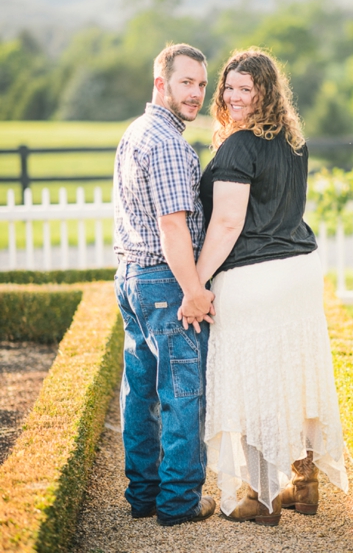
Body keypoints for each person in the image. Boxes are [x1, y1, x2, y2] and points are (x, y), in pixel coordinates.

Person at [180, 48, 348, 526]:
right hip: (299, 273)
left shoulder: (239, 146)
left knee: (249, 382)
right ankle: (303, 483)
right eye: (228, 87)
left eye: (245, 89)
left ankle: (258, 497)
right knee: (292, 376)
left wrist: (197, 279)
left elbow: (230, 221)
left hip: (254, 276)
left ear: (265, 93)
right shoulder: (294, 141)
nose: (233, 96)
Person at [113, 43, 217, 526]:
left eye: (201, 83)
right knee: (182, 393)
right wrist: (194, 290)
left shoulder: (137, 131)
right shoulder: (171, 144)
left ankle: (144, 497)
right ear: (161, 83)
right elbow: (174, 228)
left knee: (141, 393)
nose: (196, 93)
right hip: (164, 282)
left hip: (131, 278)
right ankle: (178, 504)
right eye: (186, 82)